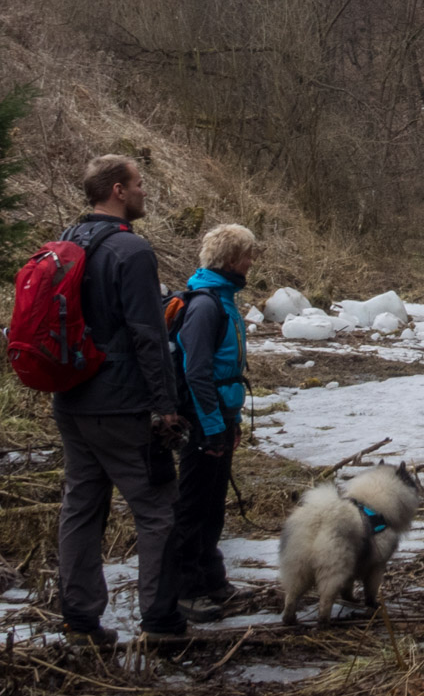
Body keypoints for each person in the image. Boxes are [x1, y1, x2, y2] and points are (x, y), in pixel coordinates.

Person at [53, 154, 187, 645]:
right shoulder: (131, 252)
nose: (144, 191)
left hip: (71, 399)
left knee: (81, 507)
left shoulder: (68, 241)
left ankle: (80, 620)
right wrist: (166, 406)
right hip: (122, 403)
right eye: (138, 184)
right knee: (158, 510)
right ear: (116, 190)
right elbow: (147, 335)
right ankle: (161, 622)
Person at [170, 223, 257, 622]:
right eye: (247, 255)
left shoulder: (225, 300)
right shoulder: (206, 304)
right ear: (230, 259)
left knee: (212, 504)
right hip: (201, 418)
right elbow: (196, 370)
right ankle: (186, 590)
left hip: (220, 415)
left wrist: (231, 421)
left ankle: (210, 577)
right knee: (193, 505)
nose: (251, 263)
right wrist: (210, 425)